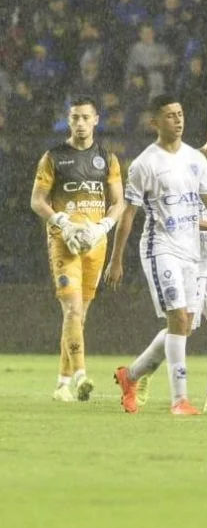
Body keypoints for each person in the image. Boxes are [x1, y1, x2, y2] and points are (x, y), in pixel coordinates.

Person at [108, 94, 207, 415]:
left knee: (184, 323)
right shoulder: (145, 163)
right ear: (154, 122)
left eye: (180, 114)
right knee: (178, 318)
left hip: (191, 252)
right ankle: (179, 400)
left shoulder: (193, 161)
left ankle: (131, 376)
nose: (178, 120)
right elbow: (129, 213)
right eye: (170, 115)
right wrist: (116, 259)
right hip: (161, 247)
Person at [30, 95, 124, 403]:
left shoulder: (107, 159)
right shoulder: (54, 157)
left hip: (95, 243)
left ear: (96, 120)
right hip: (64, 241)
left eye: (86, 117)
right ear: (68, 121)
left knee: (79, 316)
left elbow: (119, 202)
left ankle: (62, 384)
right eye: (75, 118)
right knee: (71, 310)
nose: (80, 123)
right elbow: (37, 201)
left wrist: (102, 227)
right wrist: (63, 222)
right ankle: (82, 375)